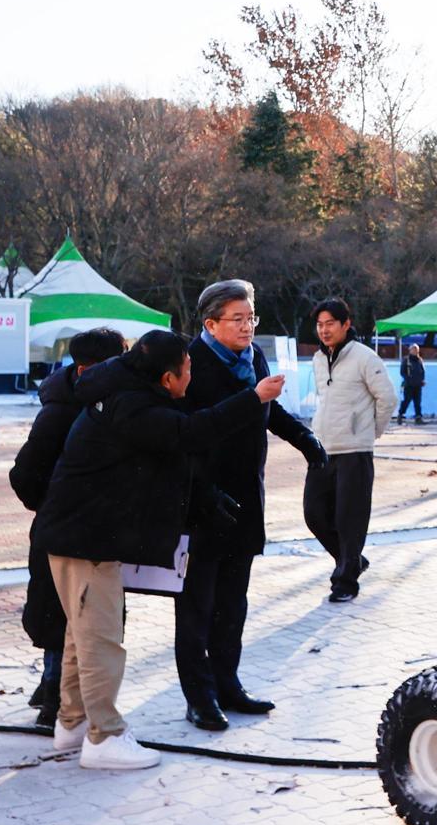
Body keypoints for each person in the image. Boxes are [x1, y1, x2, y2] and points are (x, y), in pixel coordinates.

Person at [32, 330, 269, 769]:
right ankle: (104, 738)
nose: (192, 375)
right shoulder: (133, 406)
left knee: (79, 635)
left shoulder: (124, 394)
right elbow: (192, 431)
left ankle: (73, 723)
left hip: (79, 534)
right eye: (188, 368)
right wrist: (253, 398)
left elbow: (175, 450)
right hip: (83, 538)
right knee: (101, 639)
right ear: (167, 377)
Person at [177, 280, 326, 731]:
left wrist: (303, 438)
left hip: (246, 496)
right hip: (203, 500)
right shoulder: (190, 364)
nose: (248, 327)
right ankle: (198, 696)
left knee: (233, 602)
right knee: (197, 605)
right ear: (210, 324)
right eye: (238, 319)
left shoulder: (253, 357)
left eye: (251, 317)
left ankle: (228, 684)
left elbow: (267, 408)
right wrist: (203, 492)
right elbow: (186, 437)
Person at [9, 328, 126, 727]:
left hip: (92, 529)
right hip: (62, 529)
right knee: (62, 615)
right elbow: (24, 473)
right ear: (85, 369)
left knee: (83, 618)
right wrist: (51, 506)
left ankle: (59, 694)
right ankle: (55, 698)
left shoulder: (111, 404)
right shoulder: (61, 411)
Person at [304, 298, 395, 603]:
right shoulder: (318, 358)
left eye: (331, 323)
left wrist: (370, 433)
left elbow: (387, 398)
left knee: (348, 518)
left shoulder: (365, 358)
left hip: (355, 450)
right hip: (322, 448)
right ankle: (351, 559)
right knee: (314, 514)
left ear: (345, 324)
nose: (324, 330)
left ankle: (345, 581)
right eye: (320, 324)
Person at [397, 343, 426, 424]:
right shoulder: (406, 360)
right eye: (413, 350)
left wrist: (422, 380)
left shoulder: (419, 360)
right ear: (410, 350)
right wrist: (408, 380)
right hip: (409, 385)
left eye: (416, 350)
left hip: (418, 385)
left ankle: (418, 417)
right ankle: (400, 415)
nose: (415, 351)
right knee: (406, 401)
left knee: (418, 402)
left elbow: (422, 372)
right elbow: (402, 372)